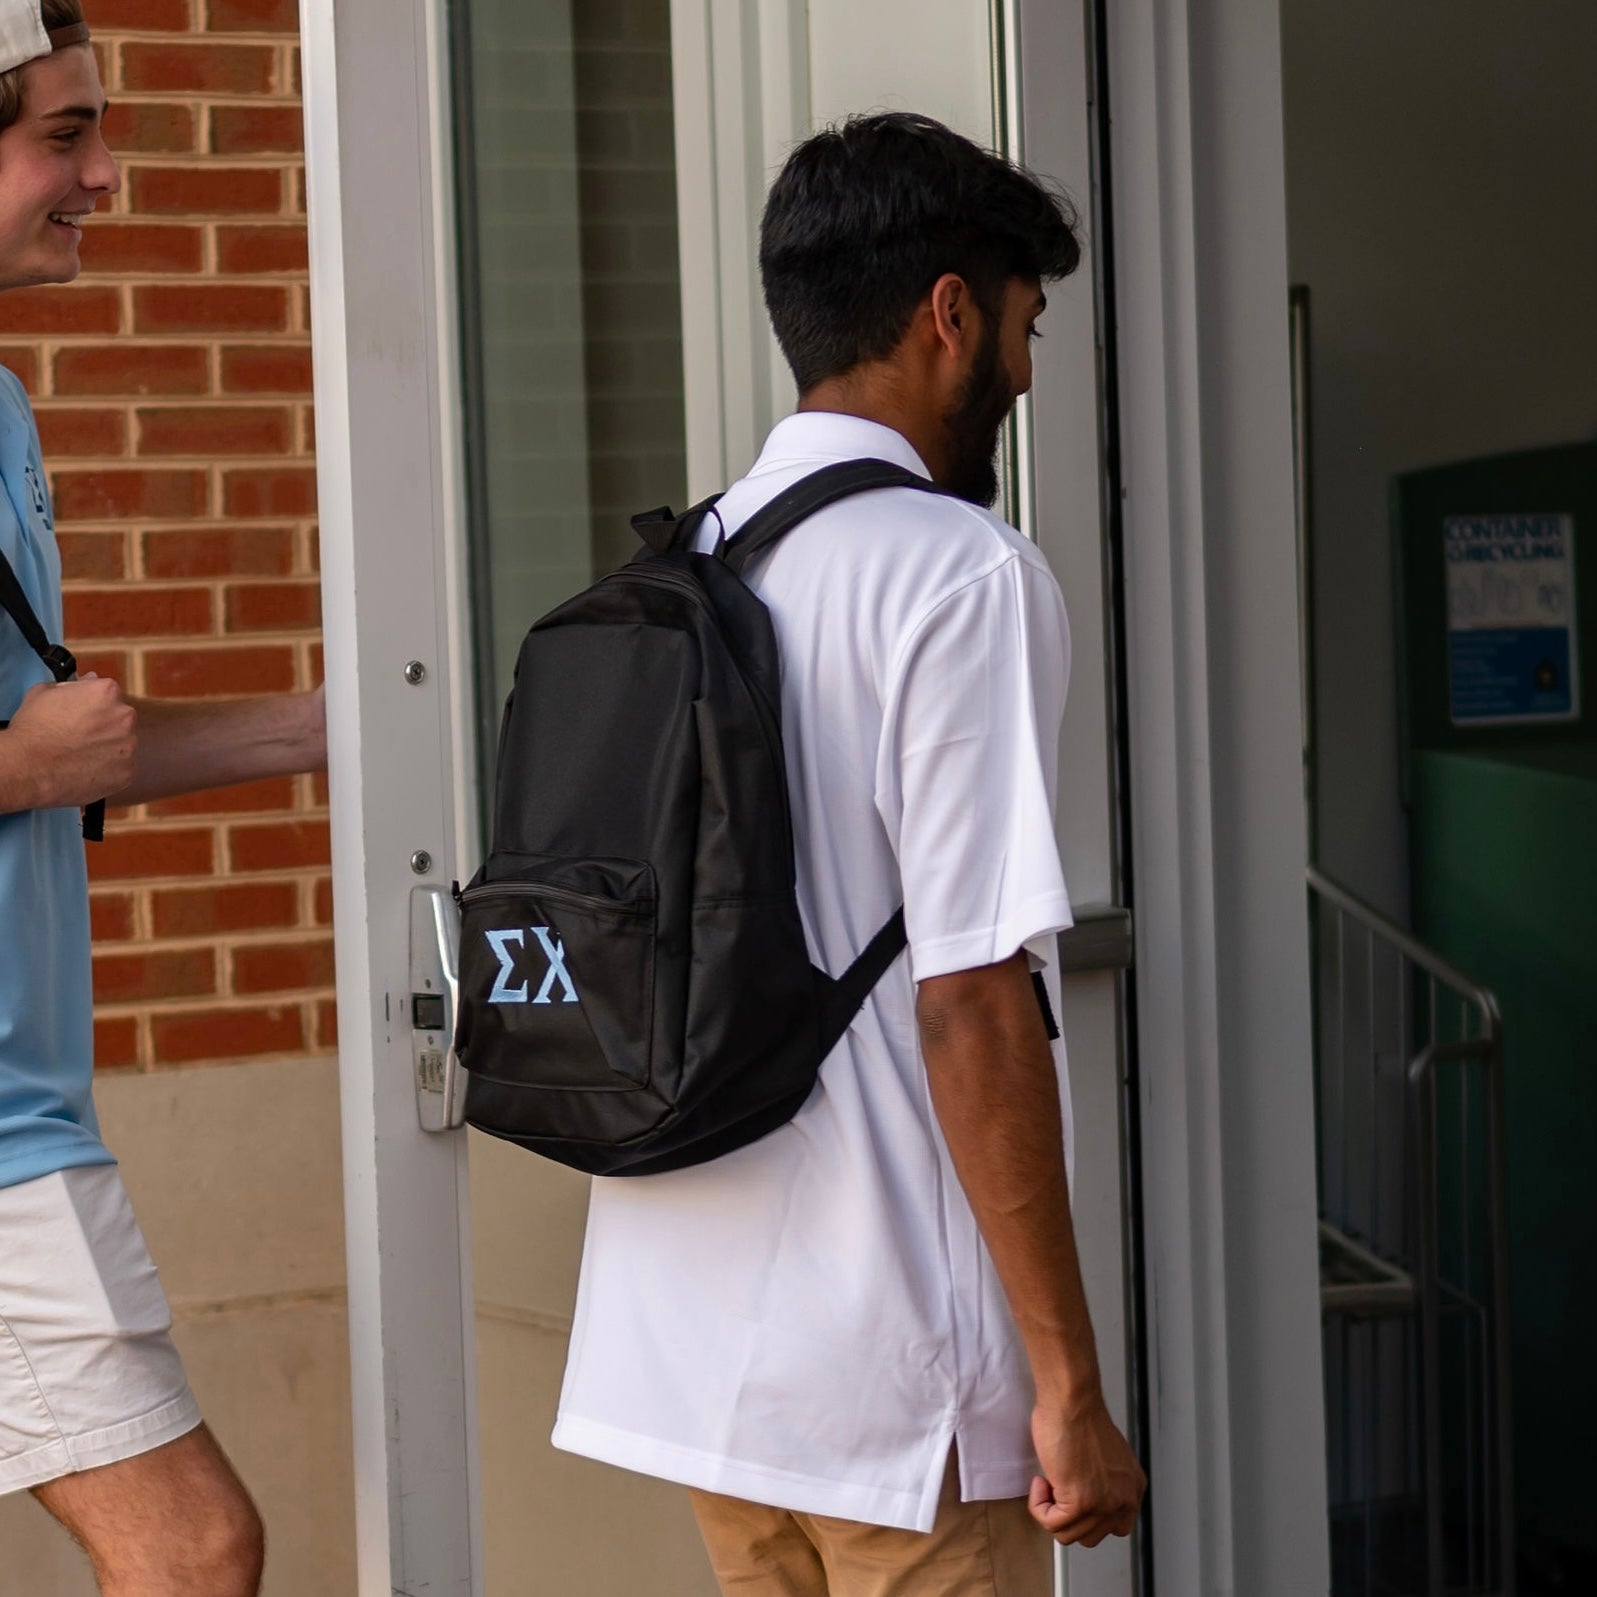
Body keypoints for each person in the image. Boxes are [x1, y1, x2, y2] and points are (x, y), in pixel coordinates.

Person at [551, 112, 1146, 1594]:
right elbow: (969, 998)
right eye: (1023, 325)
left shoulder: (683, 562)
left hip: (696, 1360)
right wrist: (1064, 1379)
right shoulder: (961, 576)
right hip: (895, 1388)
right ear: (951, 311)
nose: (1020, 369)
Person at [0, 5, 324, 1592]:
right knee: (194, 1548)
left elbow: (81, 747)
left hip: (25, 1118)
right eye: (63, 137)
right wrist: (18, 764)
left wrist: (347, 727)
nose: (107, 175)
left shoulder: (0, 404)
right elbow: (38, 755)